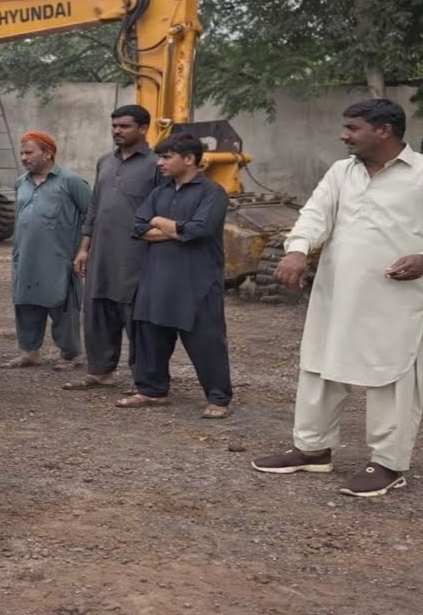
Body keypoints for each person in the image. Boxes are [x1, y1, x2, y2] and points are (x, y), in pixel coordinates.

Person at [251, 98, 423, 498]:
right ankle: (311, 449)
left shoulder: (421, 174)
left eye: (352, 128)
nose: (343, 135)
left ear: (384, 131)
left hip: (395, 300)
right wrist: (298, 249)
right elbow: (315, 214)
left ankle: (387, 464)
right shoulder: (341, 172)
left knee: (390, 377)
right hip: (335, 293)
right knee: (320, 368)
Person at [115, 132, 234, 418]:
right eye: (159, 156)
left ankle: (218, 398)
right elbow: (138, 229)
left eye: (167, 157)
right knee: (150, 336)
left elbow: (198, 231)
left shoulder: (212, 192)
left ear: (189, 159)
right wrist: (175, 230)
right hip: (156, 279)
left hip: (197, 282)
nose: (160, 163)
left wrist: (159, 222)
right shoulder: (160, 192)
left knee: (206, 340)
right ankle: (152, 390)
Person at [62, 105, 163, 391]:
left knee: (136, 316)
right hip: (101, 253)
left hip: (137, 255)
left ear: (143, 128)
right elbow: (95, 206)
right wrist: (84, 248)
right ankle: (100, 372)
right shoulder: (105, 161)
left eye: (125, 126)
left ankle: (144, 380)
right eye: (114, 126)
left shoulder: (156, 165)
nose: (117, 131)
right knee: (97, 311)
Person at [3, 131, 93, 371]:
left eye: (29, 152)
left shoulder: (71, 182)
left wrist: (84, 250)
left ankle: (71, 353)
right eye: (22, 152)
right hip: (25, 256)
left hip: (60, 256)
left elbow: (91, 216)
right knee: (25, 303)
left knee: (63, 305)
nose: (23, 157)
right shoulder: (21, 182)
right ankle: (31, 352)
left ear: (48, 153)